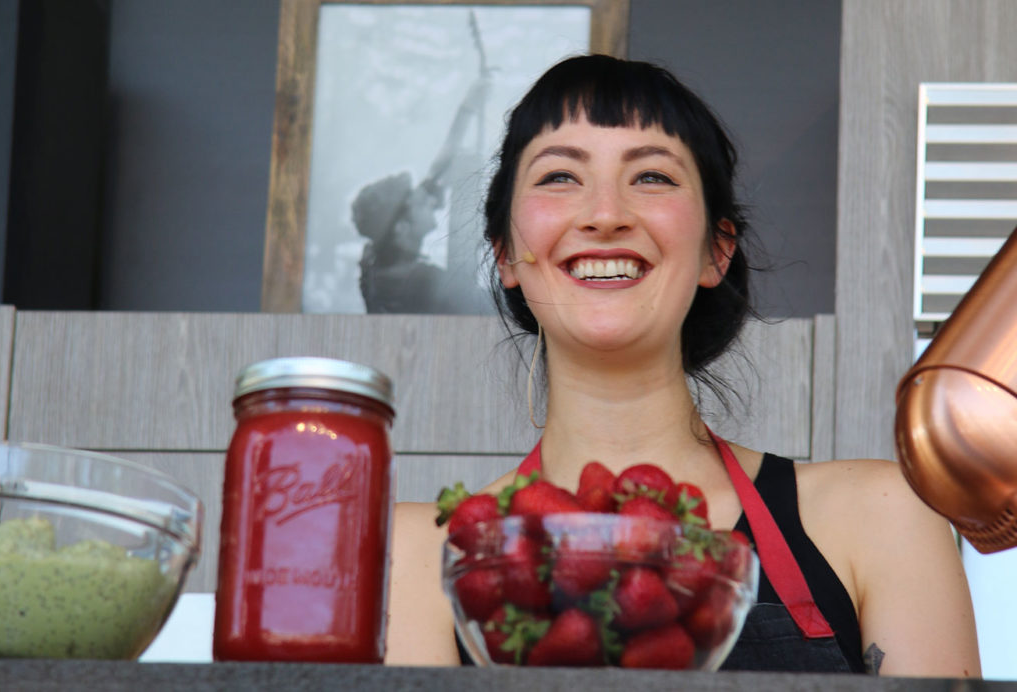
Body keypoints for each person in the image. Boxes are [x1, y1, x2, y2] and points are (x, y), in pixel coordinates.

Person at [386, 54, 980, 676]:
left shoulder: (884, 514)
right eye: (560, 176)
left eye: (652, 178)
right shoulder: (425, 553)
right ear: (507, 253)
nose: (605, 212)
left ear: (716, 253)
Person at [355, 75, 490, 314]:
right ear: (401, 228)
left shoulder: (378, 265)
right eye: (423, 204)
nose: (433, 203)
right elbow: (485, 307)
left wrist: (467, 108)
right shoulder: (421, 283)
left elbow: (441, 165)